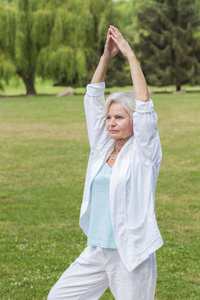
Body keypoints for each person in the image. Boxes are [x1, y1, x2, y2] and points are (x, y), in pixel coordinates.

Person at [48, 25, 163, 300]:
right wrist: (106, 58)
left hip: (131, 254)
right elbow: (92, 97)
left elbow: (145, 104)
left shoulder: (144, 152)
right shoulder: (102, 147)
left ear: (134, 121)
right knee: (59, 297)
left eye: (119, 118)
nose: (111, 122)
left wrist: (130, 56)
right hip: (97, 250)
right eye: (109, 118)